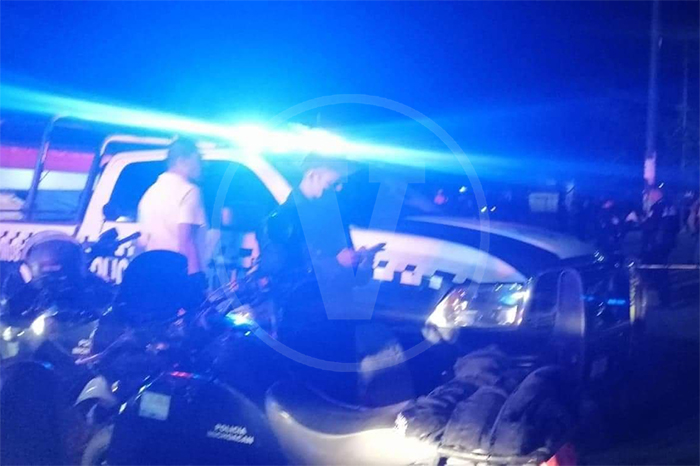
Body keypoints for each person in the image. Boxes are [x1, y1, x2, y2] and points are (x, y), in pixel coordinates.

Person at [138, 138, 206, 282]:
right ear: (182, 161)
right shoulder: (189, 191)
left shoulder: (150, 193)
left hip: (152, 272)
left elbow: (143, 241)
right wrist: (195, 279)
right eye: (198, 160)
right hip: (177, 273)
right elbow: (186, 241)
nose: (202, 165)